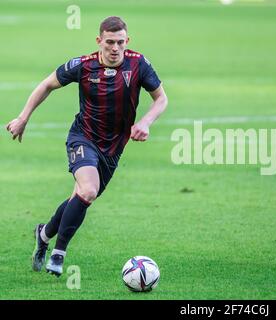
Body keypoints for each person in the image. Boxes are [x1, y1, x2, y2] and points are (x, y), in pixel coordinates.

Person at [6, 16, 168, 276]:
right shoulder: (83, 66)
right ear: (99, 41)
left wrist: (146, 122)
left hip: (113, 149)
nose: (115, 48)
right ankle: (58, 254)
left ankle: (44, 236)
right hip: (83, 137)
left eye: (120, 42)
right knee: (89, 190)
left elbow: (161, 98)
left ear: (128, 41)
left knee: (79, 197)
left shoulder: (138, 64)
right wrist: (23, 117)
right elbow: (47, 84)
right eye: (110, 42)